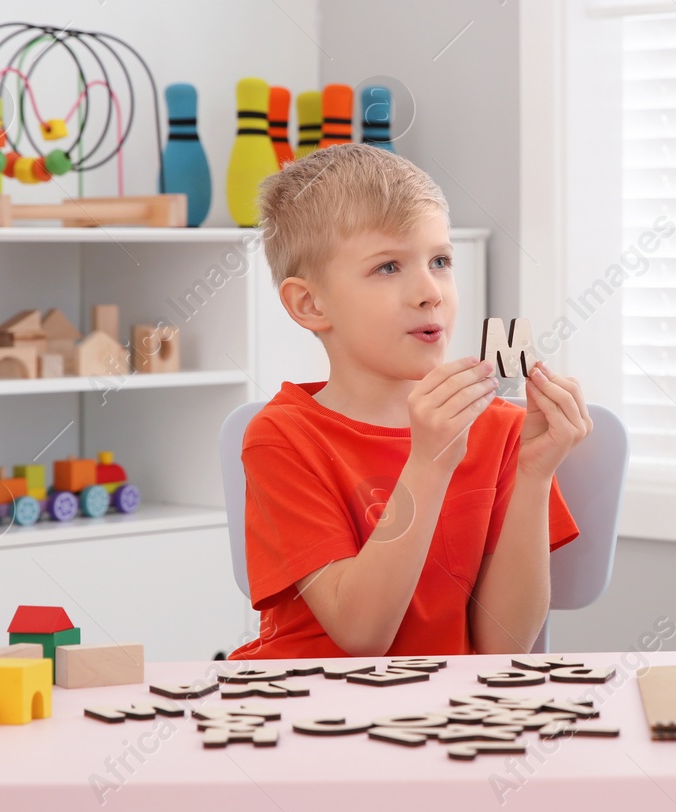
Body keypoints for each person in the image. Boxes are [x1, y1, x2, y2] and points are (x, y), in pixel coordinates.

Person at [231, 143, 587, 659]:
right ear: (309, 304)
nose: (430, 291)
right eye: (388, 267)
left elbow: (502, 647)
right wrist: (429, 462)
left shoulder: (505, 432)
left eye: (440, 261)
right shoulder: (283, 437)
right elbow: (361, 637)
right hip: (308, 707)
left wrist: (534, 475)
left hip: (442, 714)